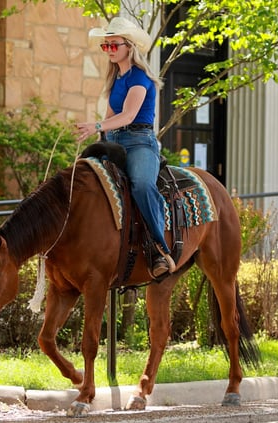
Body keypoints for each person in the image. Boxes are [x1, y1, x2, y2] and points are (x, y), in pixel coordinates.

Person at [76, 17, 175, 278]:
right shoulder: (116, 79)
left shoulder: (140, 78)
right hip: (114, 141)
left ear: (129, 46)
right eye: (105, 46)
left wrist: (96, 125)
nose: (108, 50)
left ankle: (158, 248)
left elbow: (129, 116)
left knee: (141, 185)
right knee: (83, 178)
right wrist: (98, 137)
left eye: (113, 45)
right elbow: (110, 117)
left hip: (140, 141)